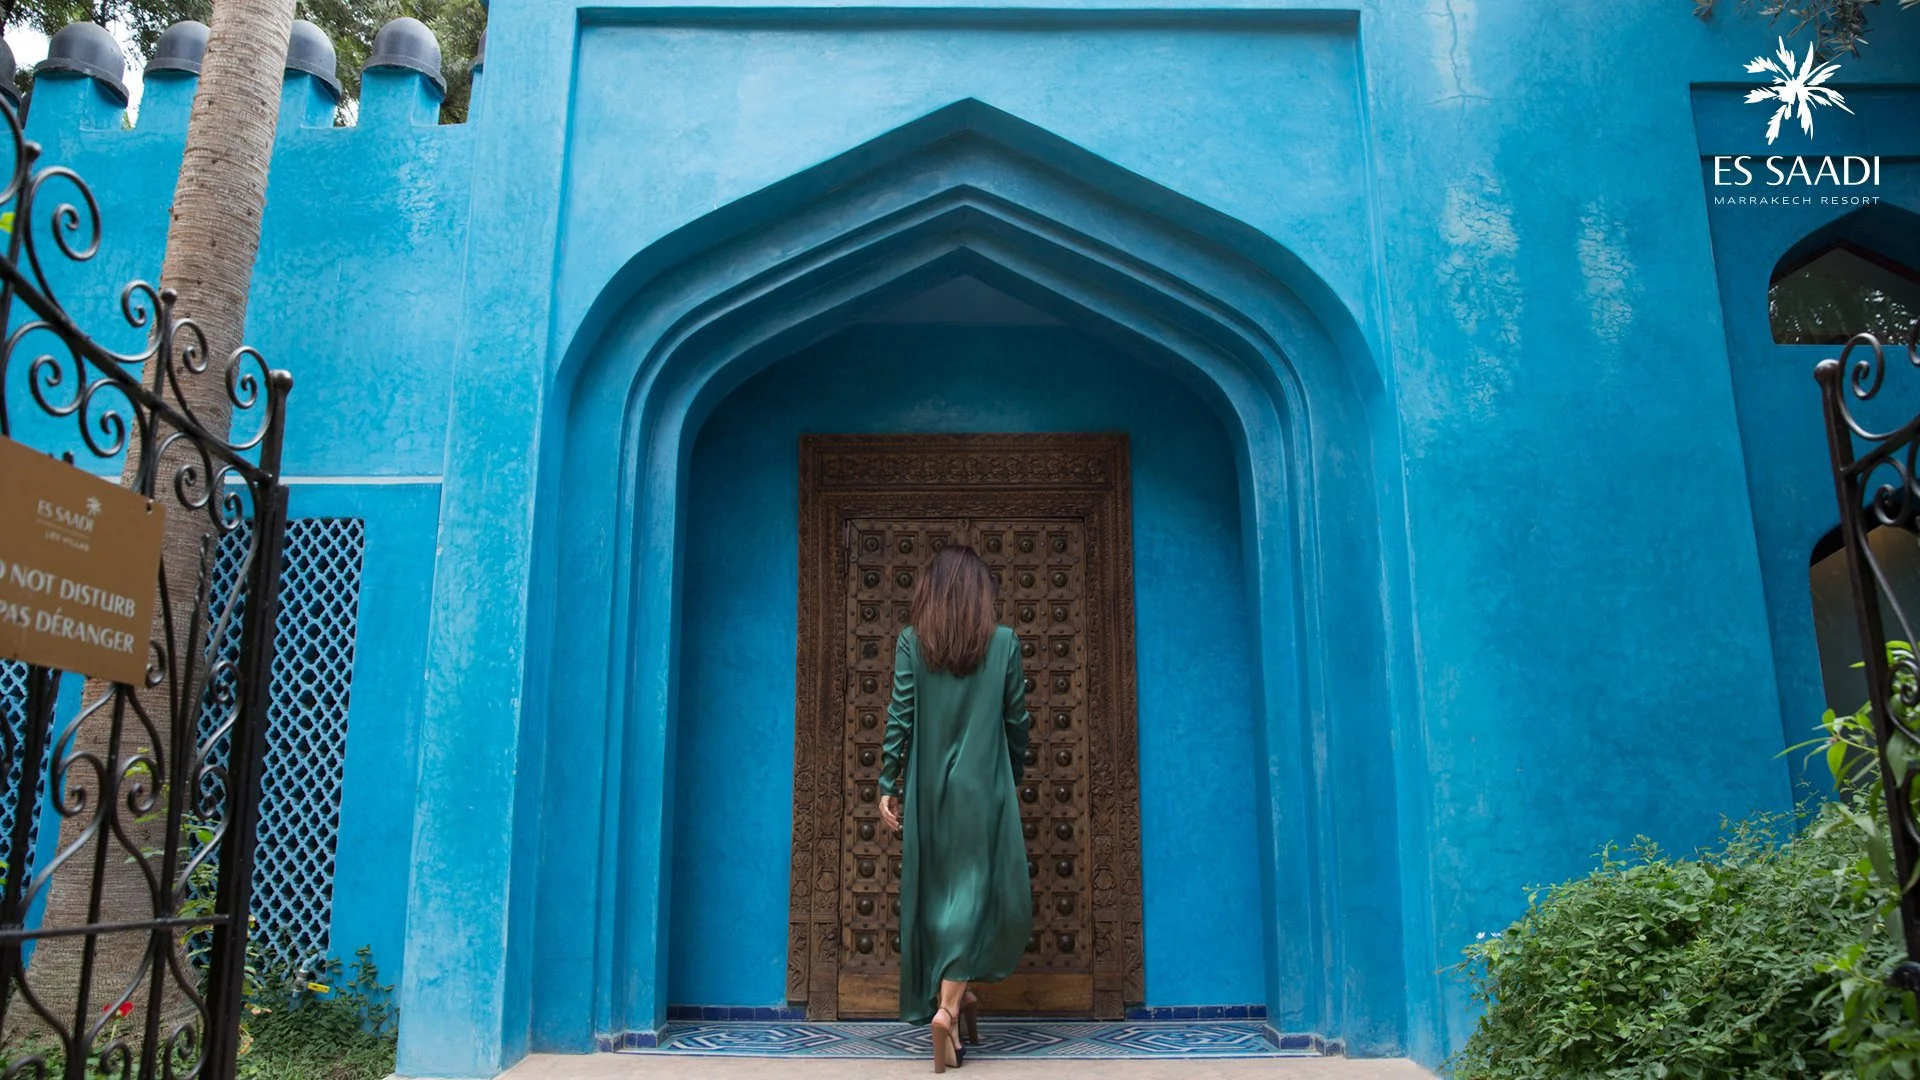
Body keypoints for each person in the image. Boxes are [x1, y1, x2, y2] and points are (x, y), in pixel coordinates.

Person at [877, 544, 1033, 1073]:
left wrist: (885, 783)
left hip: (927, 791)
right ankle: (946, 1010)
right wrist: (1014, 772)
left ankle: (959, 1002)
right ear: (982, 595)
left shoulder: (910, 643)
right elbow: (1018, 722)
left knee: (941, 895)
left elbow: (900, 715)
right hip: (982, 787)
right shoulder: (1006, 643)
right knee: (975, 893)